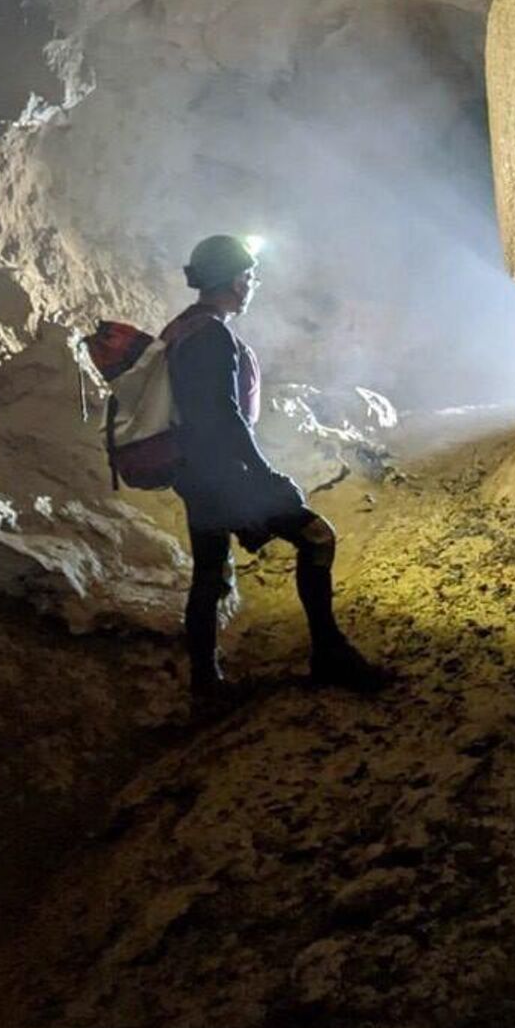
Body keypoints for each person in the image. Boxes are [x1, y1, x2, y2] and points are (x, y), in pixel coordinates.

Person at [163, 233, 386, 698]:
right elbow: (224, 416)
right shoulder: (212, 334)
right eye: (249, 276)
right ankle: (328, 653)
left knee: (209, 574)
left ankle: (206, 687)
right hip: (222, 477)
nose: (252, 285)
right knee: (317, 537)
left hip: (195, 474)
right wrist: (264, 476)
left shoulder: (182, 328)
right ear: (234, 281)